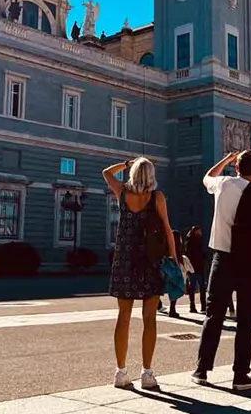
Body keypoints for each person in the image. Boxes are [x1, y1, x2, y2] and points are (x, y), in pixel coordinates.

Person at [192, 151, 251, 392]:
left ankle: (201, 370)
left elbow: (207, 177)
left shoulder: (222, 183)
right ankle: (240, 375)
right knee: (246, 320)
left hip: (222, 259)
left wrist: (226, 160)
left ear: (236, 167)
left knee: (213, 315)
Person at [103, 157, 177, 390]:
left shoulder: (122, 193)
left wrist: (126, 163)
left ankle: (120, 372)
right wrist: (174, 258)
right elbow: (167, 229)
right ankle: (147, 373)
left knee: (123, 317)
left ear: (133, 174)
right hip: (150, 262)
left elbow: (106, 172)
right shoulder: (157, 197)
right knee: (149, 318)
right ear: (152, 175)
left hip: (124, 260)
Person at [167, 231, 190, 318]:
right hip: (175, 270)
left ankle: (170, 308)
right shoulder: (176, 247)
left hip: (170, 270)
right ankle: (172, 309)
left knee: (172, 290)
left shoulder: (169, 246)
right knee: (175, 290)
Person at [184, 226, 207, 314]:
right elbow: (197, 255)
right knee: (201, 288)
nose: (201, 233)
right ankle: (203, 306)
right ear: (196, 232)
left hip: (193, 268)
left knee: (192, 288)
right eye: (199, 231)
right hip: (197, 268)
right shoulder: (195, 241)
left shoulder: (189, 241)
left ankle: (193, 305)